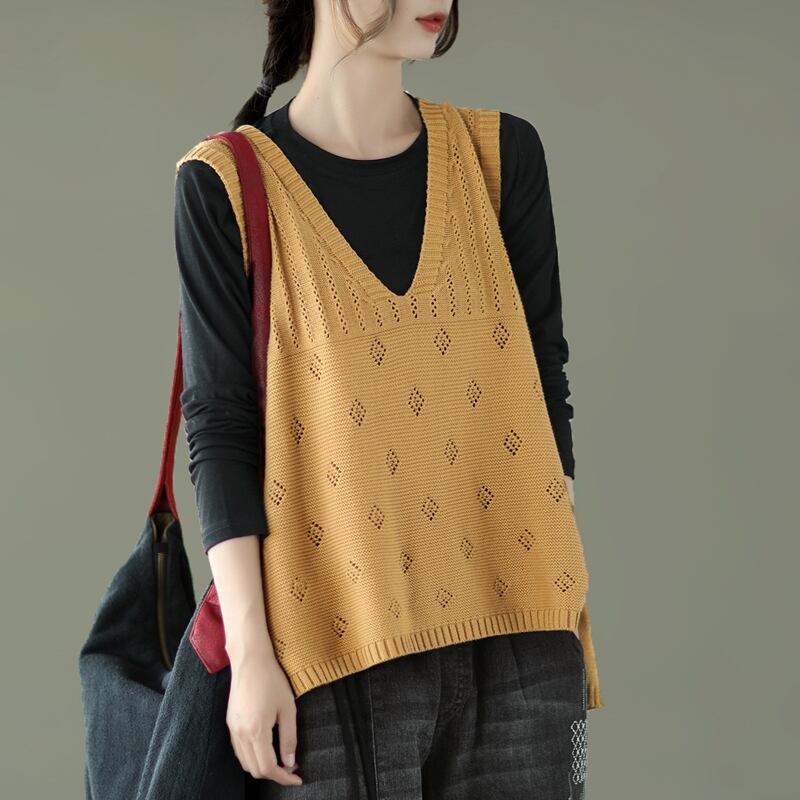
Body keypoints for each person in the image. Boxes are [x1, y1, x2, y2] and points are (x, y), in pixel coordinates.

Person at [173, 1, 603, 797]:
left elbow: (544, 378)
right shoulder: (225, 184)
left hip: (522, 644)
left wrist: (548, 568)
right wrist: (254, 656)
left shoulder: (499, 157)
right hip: (333, 648)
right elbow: (220, 429)